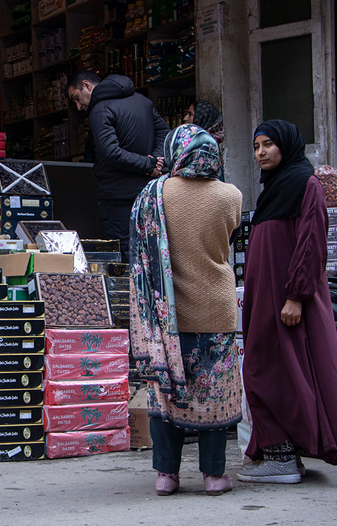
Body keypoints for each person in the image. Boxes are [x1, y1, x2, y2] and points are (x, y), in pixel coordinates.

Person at [238, 119, 337, 484]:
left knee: (274, 373)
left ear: (286, 145)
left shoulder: (306, 184)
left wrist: (295, 296)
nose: (261, 152)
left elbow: (312, 244)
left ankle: (282, 460)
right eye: (256, 146)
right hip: (268, 298)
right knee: (274, 370)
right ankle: (284, 455)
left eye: (268, 144)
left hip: (288, 301)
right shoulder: (274, 188)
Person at [130, 124, 243, 496]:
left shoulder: (154, 194)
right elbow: (225, 241)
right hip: (216, 309)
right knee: (213, 394)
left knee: (166, 393)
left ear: (175, 152)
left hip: (168, 316)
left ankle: (166, 475)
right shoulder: (231, 195)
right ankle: (213, 476)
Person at [67, 70, 170, 262]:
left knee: (123, 258)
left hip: (118, 198)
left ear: (87, 85)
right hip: (147, 194)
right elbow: (165, 132)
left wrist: (150, 164)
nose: (78, 106)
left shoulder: (99, 110)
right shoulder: (143, 101)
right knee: (150, 254)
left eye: (76, 98)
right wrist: (155, 160)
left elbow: (110, 152)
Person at [184, 99, 225, 181]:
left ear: (202, 118)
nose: (185, 118)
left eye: (190, 114)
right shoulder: (210, 141)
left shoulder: (204, 143)